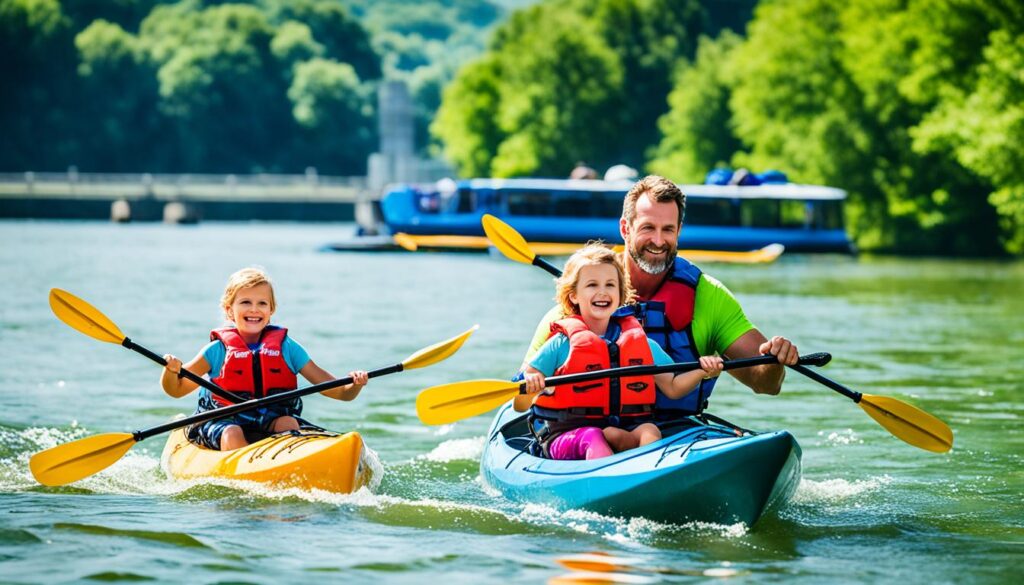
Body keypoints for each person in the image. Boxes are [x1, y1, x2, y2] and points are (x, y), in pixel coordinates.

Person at [522, 175, 798, 419]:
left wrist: (774, 360)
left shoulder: (708, 296)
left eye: (668, 229)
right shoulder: (586, 295)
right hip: (591, 433)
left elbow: (766, 385)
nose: (658, 240)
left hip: (675, 435)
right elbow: (525, 389)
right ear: (625, 229)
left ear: (678, 231)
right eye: (647, 228)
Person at [521, 244, 725, 460]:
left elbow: (673, 387)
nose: (602, 292)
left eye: (610, 285)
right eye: (592, 285)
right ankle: (606, 483)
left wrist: (702, 370)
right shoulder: (561, 343)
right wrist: (531, 384)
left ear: (620, 295)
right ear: (573, 296)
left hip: (622, 430)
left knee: (649, 431)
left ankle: (646, 476)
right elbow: (519, 403)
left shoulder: (642, 344)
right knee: (593, 436)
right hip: (568, 436)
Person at [160, 267, 369, 451]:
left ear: (271, 310)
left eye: (262, 303)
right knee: (232, 433)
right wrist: (170, 371)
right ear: (229, 310)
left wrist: (354, 385)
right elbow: (176, 390)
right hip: (222, 421)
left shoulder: (287, 348)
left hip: (269, 419)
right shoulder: (217, 350)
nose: (254, 309)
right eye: (245, 302)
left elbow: (336, 390)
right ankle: (241, 478)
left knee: (288, 423)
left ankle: (285, 467)